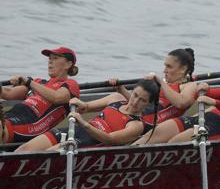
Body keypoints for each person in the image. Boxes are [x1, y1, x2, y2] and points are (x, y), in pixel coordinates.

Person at [15, 79, 160, 151]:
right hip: (75, 131)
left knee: (44, 155)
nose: (135, 101)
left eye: (142, 100)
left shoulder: (136, 125)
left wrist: (84, 123)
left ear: (148, 104)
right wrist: (78, 102)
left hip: (89, 144)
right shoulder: (115, 98)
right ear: (132, 91)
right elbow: (85, 107)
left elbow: (110, 139)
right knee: (23, 150)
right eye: (135, 95)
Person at [111, 48, 198, 144]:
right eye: (165, 66)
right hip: (136, 116)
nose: (165, 70)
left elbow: (181, 103)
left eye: (169, 67)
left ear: (183, 69)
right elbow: (139, 102)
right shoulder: (164, 84)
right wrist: (121, 89)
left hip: (151, 126)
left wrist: (160, 82)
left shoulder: (190, 86)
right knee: (116, 97)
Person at [0, 47, 80, 144]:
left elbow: (57, 98)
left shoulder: (71, 84)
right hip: (12, 115)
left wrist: (29, 82)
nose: (50, 61)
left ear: (68, 64)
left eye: (55, 58)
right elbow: (7, 93)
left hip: (32, 124)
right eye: (50, 58)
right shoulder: (39, 82)